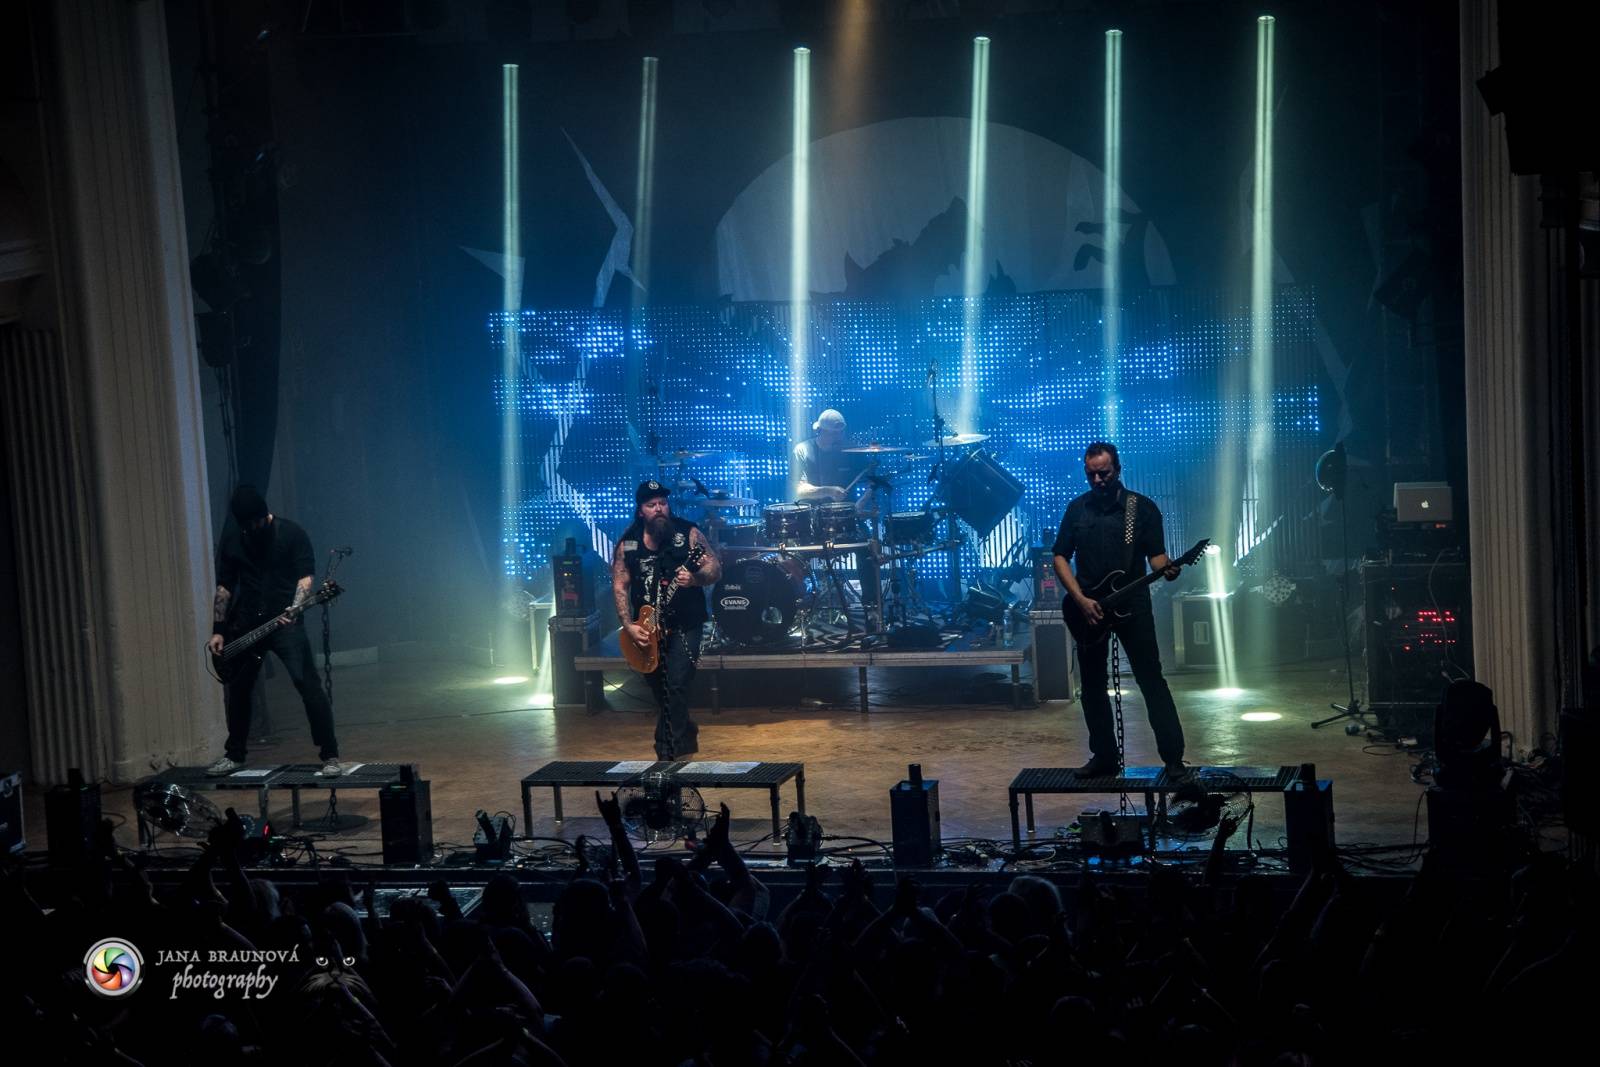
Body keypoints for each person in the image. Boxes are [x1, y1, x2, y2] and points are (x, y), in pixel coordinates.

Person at [1051, 443, 1189, 781]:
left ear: (1118, 469)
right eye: (1091, 474)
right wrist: (1080, 599)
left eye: (1104, 473)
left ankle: (1173, 761)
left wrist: (1168, 568)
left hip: (1133, 606)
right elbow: (1059, 556)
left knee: (1151, 680)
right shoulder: (1076, 510)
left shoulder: (1140, 509)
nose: (1097, 480)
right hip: (1089, 611)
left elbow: (1156, 556)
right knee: (1093, 687)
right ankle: (1104, 756)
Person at [206, 485, 343, 776]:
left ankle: (330, 754)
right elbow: (225, 587)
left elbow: (305, 578)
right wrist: (218, 629)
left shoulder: (291, 534)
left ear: (263, 515)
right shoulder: (234, 540)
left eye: (253, 523)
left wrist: (294, 609)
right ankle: (235, 754)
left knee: (307, 685)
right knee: (240, 691)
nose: (250, 530)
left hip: (285, 623)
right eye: (244, 526)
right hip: (245, 624)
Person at [613, 480, 722, 759]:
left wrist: (696, 578)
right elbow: (620, 583)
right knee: (661, 691)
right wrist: (628, 625)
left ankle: (666, 752)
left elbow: (714, 568)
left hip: (686, 623)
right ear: (641, 511)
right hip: (648, 629)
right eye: (652, 505)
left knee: (676, 684)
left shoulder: (688, 533)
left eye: (662, 503)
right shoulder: (628, 542)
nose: (659, 509)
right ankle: (686, 732)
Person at [791, 408, 857, 502]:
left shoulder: (851, 451)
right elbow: (799, 490)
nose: (839, 437)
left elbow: (869, 481)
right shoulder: (802, 450)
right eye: (833, 433)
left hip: (847, 512)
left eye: (841, 432)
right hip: (813, 512)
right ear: (820, 431)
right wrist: (828, 491)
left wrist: (861, 503)